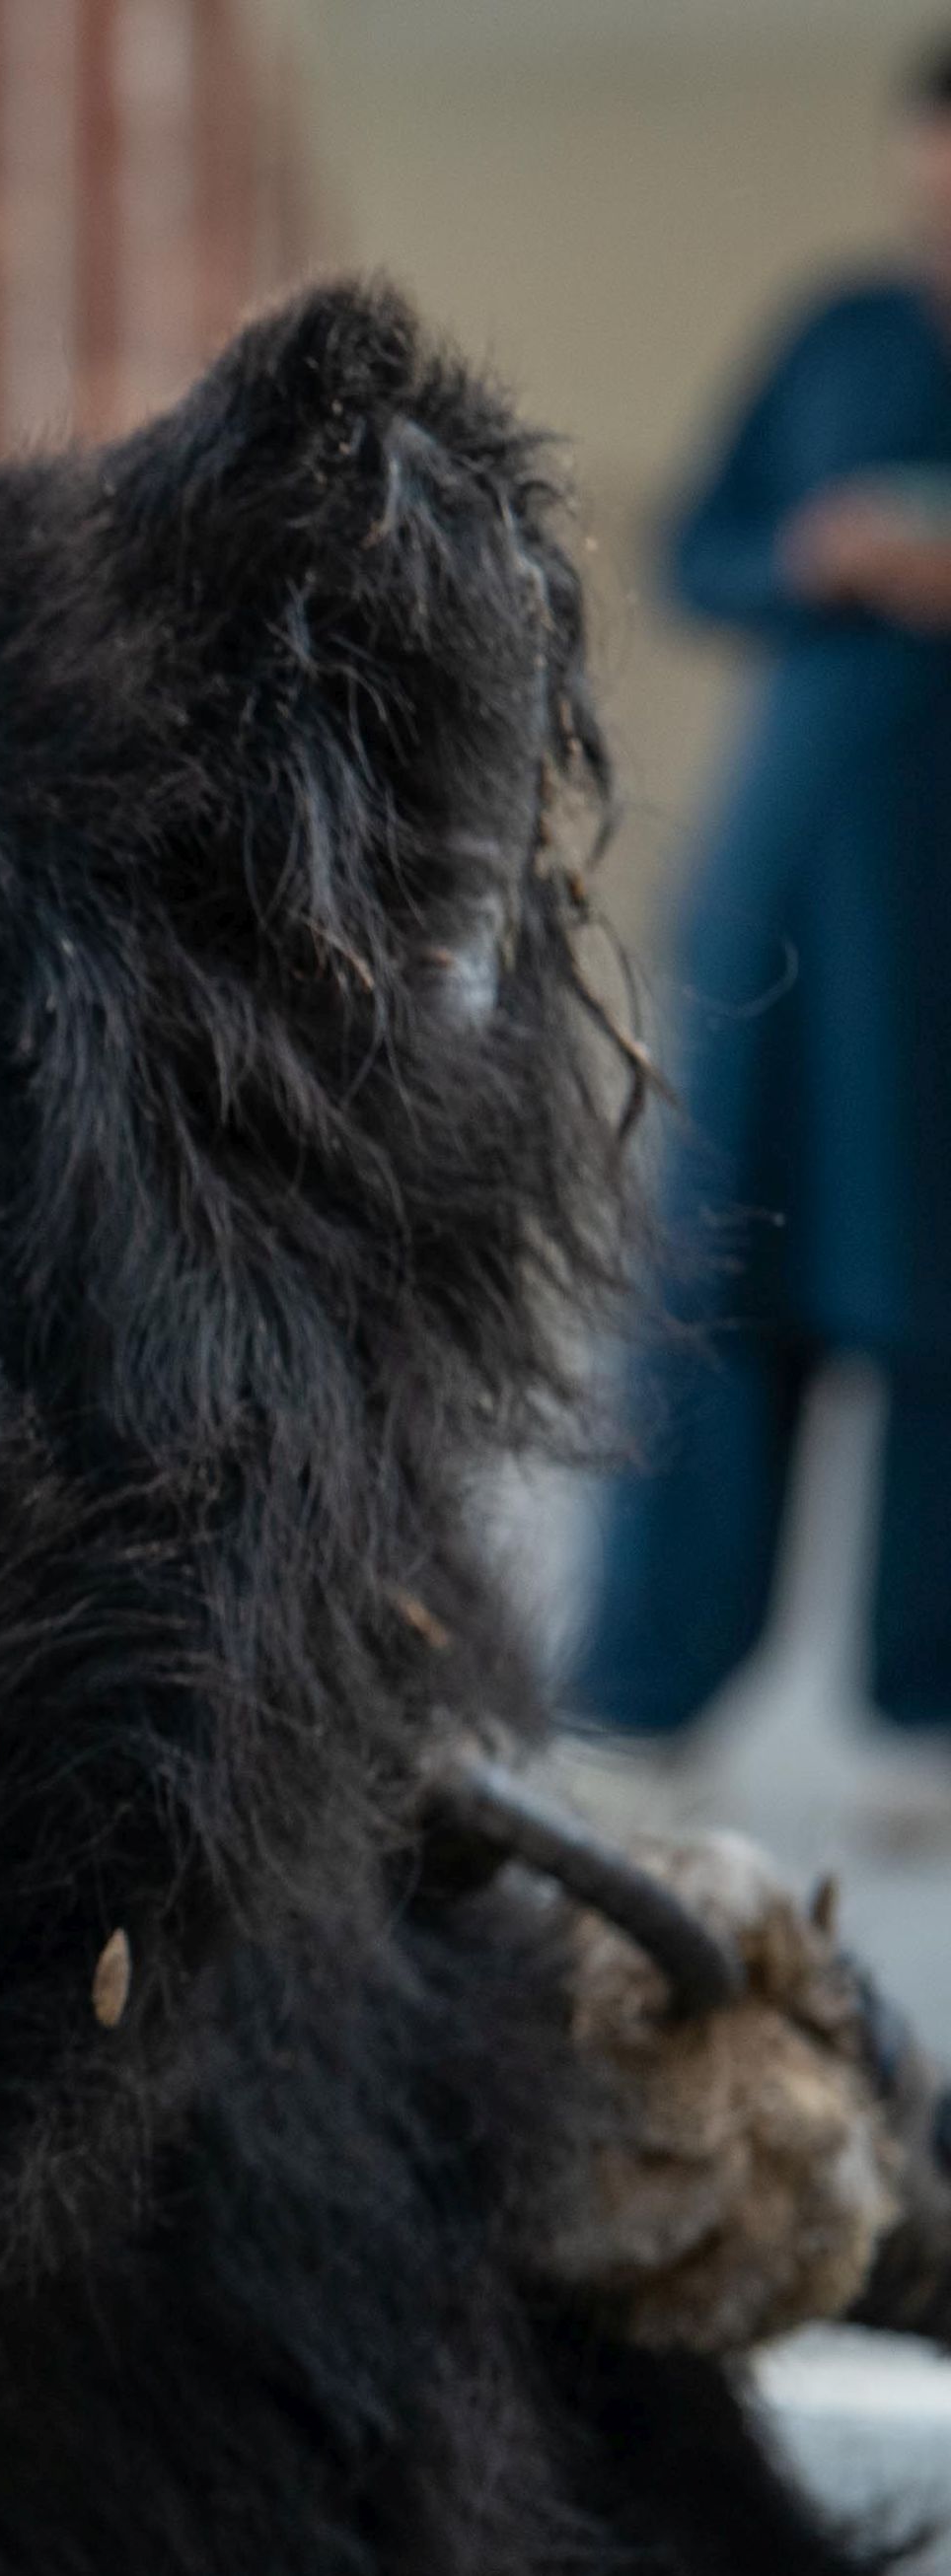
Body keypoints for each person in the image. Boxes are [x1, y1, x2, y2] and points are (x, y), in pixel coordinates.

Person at [572, 37, 951, 1777]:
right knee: (727, 1270)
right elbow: (701, 550)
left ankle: (926, 1713)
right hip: (798, 885)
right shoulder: (838, 339)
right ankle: (647, 1693)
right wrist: (817, 556)